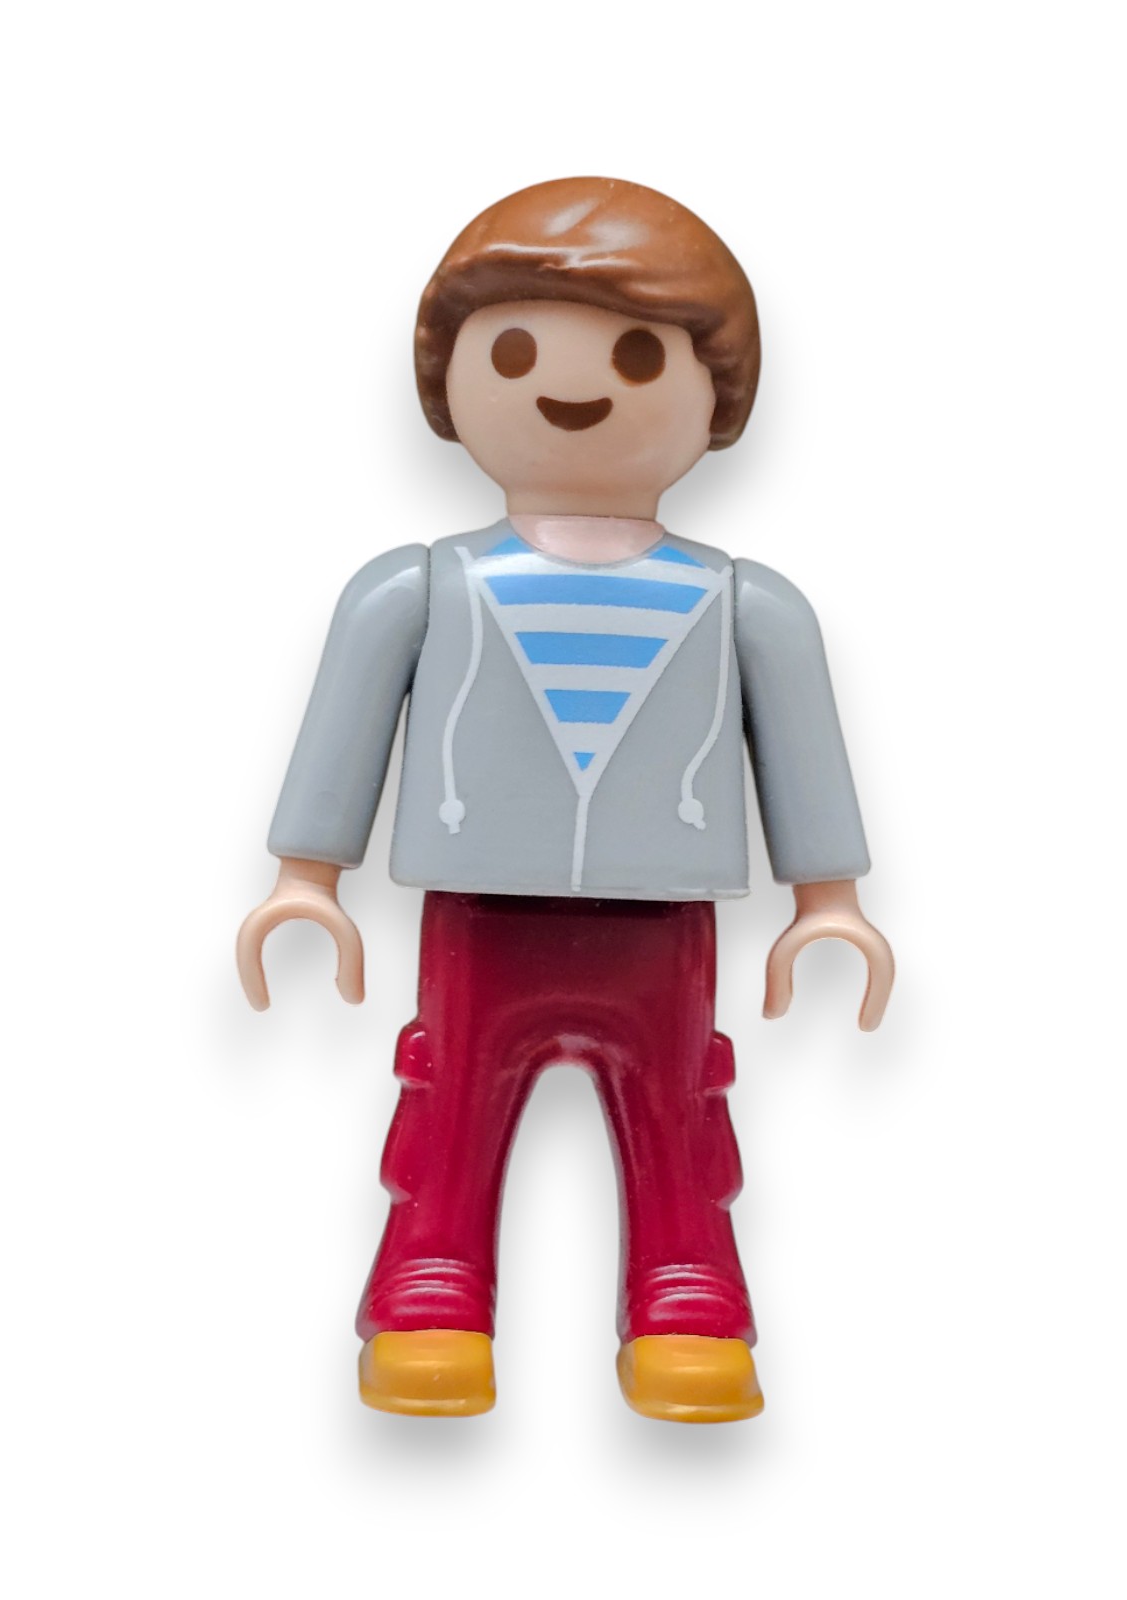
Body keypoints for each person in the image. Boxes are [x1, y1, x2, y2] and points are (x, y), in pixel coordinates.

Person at [236, 176, 894, 1423]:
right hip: (478, 918)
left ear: (715, 395)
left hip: (663, 927)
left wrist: (830, 900)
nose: (572, 390)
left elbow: (803, 746)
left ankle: (687, 1289)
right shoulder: (418, 588)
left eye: (639, 357)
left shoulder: (745, 604)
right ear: (449, 382)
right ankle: (431, 1282)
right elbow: (344, 729)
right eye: (515, 352)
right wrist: (304, 875)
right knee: (448, 1101)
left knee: (679, 1109)